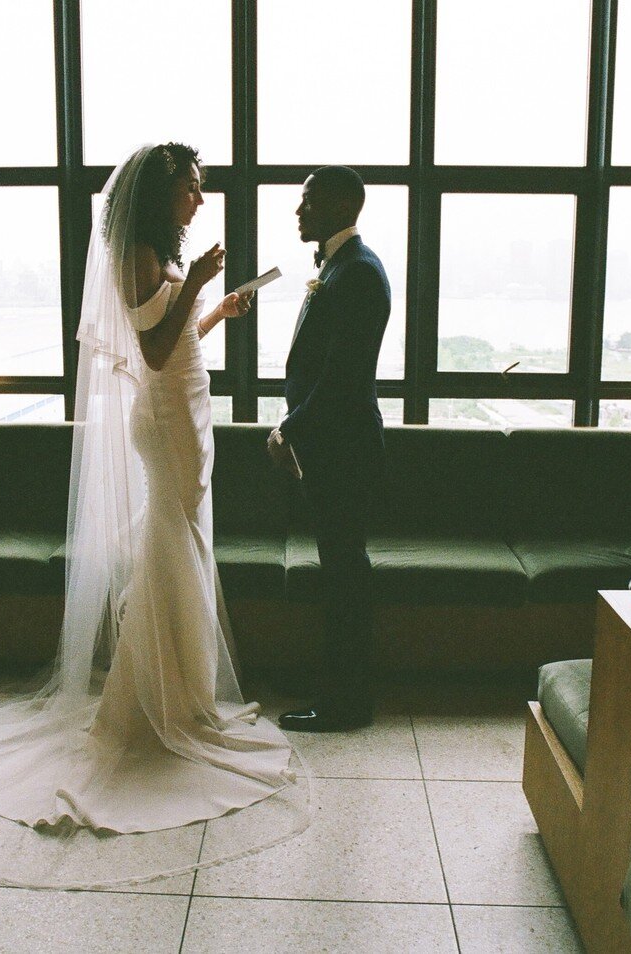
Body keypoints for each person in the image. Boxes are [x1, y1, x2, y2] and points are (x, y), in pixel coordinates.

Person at [0, 144, 310, 889]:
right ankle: (153, 704)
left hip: (187, 411)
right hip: (165, 416)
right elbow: (150, 351)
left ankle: (176, 692)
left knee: (177, 540)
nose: (197, 200)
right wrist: (200, 287)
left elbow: (175, 336)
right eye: (190, 189)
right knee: (172, 538)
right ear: (160, 193)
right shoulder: (136, 252)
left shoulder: (160, 256)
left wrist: (214, 308)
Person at [269, 166, 391, 733]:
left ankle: (346, 704)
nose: (299, 211)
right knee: (342, 572)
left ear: (342, 205)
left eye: (308, 201)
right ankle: (343, 690)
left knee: (345, 576)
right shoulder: (343, 267)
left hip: (343, 450)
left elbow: (342, 376)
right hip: (336, 447)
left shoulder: (359, 273)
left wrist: (289, 427)